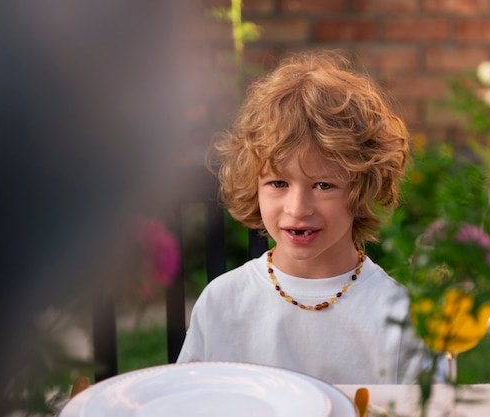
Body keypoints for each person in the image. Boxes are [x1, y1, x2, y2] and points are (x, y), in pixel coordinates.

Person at [177, 49, 425, 384]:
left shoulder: (397, 314)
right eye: (278, 183)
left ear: (363, 187)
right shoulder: (223, 304)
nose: (297, 209)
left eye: (323, 185)